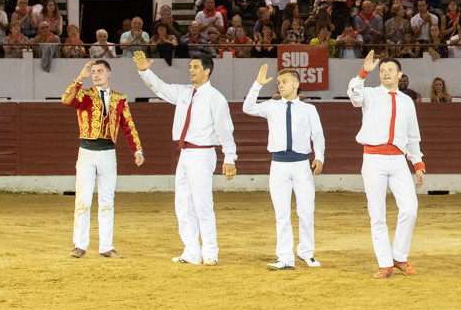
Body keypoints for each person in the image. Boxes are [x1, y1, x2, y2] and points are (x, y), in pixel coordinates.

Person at [134, 51, 237, 266]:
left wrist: (229, 157)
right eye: (190, 66)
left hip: (202, 153)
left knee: (202, 204)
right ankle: (191, 252)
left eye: (196, 67)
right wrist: (144, 72)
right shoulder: (184, 92)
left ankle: (210, 252)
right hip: (185, 154)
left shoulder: (216, 98)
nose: (191, 70)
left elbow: (225, 129)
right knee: (183, 204)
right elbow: (159, 87)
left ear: (207, 71)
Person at [348, 51, 426, 278]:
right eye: (382, 71)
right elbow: (354, 95)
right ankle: (385, 263)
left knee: (410, 209)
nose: (385, 73)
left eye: (390, 70)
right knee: (377, 213)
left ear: (400, 74)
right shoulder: (369, 94)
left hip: (399, 159)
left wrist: (418, 163)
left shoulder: (407, 101)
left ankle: (399, 256)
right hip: (373, 158)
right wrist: (363, 73)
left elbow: (412, 134)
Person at [243, 63, 326, 270]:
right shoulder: (271, 106)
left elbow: (317, 135)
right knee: (281, 214)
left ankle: (306, 252)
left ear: (296, 85)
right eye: (279, 82)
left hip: (301, 164)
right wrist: (257, 84)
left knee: (306, 211)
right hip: (279, 164)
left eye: (285, 82)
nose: (280, 85)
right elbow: (247, 107)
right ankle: (285, 257)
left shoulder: (309, 109)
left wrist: (320, 157)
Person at [61, 60, 144, 258]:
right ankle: (80, 245)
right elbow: (66, 99)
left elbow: (128, 126)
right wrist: (80, 78)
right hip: (87, 152)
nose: (95, 75)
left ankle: (106, 246)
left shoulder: (120, 99)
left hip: (108, 153)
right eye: (93, 72)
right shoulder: (84, 94)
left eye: (99, 71)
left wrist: (137, 150)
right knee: (83, 200)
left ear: (109, 74)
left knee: (107, 201)